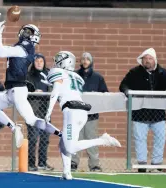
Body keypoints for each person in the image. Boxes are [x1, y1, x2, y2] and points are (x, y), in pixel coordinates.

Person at [0, 12, 62, 149]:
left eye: (29, 31)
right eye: (25, 30)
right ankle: (14, 128)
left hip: (18, 90)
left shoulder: (25, 48)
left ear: (34, 36)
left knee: (32, 120)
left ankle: (61, 134)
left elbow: (0, 52)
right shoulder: (20, 47)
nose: (25, 33)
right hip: (10, 91)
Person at [44, 51, 121, 180]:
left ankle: (103, 140)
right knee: (64, 143)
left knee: (70, 146)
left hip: (72, 111)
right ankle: (67, 172)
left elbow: (56, 91)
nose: (56, 62)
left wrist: (48, 112)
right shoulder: (76, 76)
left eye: (59, 59)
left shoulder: (59, 73)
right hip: (82, 111)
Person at [119, 48, 166, 173]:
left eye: (150, 58)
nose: (147, 61)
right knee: (139, 139)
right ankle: (142, 164)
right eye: (145, 59)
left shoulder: (162, 73)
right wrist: (128, 92)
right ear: (141, 60)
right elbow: (123, 85)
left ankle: (156, 164)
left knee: (160, 137)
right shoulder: (134, 72)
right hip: (139, 113)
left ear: (154, 60)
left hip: (158, 114)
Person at [71, 52, 108, 172]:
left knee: (91, 139)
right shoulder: (74, 75)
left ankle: (94, 164)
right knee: (76, 138)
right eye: (83, 59)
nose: (85, 61)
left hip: (91, 115)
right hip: (76, 114)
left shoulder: (98, 77)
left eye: (87, 59)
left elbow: (104, 94)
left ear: (91, 61)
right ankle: (73, 162)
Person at [26, 53, 54, 171]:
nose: (39, 63)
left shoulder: (48, 74)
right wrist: (33, 91)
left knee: (45, 138)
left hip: (45, 110)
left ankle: (42, 162)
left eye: (41, 61)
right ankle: (31, 163)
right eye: (37, 61)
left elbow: (54, 88)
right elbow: (23, 89)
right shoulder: (28, 75)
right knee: (32, 138)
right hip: (33, 110)